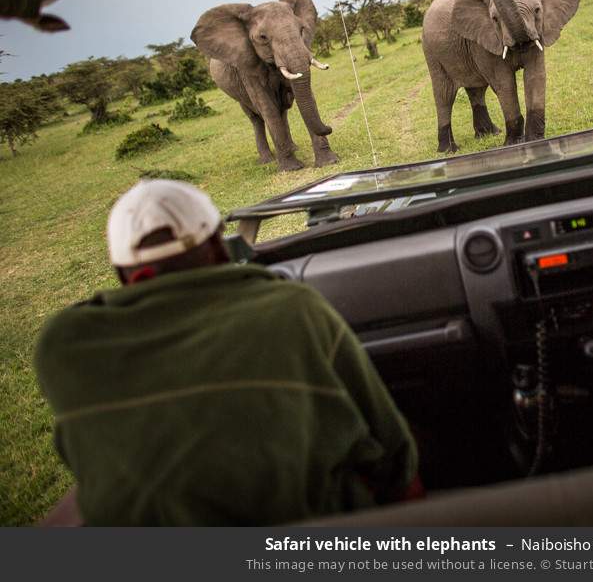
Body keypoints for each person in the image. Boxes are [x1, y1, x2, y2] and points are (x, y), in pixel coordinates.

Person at [35, 179, 420, 525]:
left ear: (123, 275)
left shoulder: (63, 346)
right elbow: (392, 453)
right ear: (221, 248)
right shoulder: (291, 308)